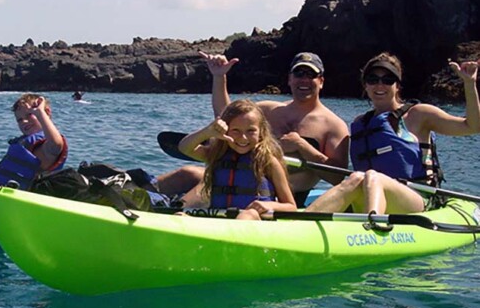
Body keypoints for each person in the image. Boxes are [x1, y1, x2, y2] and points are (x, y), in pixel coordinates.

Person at [306, 52, 480, 214]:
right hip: (368, 190)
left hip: (417, 197)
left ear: (397, 86)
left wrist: (469, 84)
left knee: (373, 177)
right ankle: (303, 221)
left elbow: (471, 126)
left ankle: (372, 228)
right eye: (373, 79)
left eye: (388, 79)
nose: (380, 85)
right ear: (365, 85)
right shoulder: (360, 123)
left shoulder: (418, 114)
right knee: (356, 177)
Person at [199, 50, 350, 206]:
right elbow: (226, 118)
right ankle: (176, 211)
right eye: (298, 74)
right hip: (243, 183)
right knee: (189, 173)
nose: (304, 80)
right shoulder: (266, 110)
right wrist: (219, 76)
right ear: (290, 79)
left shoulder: (334, 125)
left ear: (321, 81)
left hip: (285, 199)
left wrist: (303, 146)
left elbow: (336, 178)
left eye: (310, 75)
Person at [178, 99, 297, 220]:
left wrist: (268, 205)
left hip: (255, 222)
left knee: (248, 214)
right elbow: (184, 148)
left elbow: (291, 206)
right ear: (226, 131)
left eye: (251, 131)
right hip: (220, 220)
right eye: (235, 131)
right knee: (180, 216)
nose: (243, 138)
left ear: (261, 132)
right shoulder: (216, 155)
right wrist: (207, 132)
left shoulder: (268, 162)